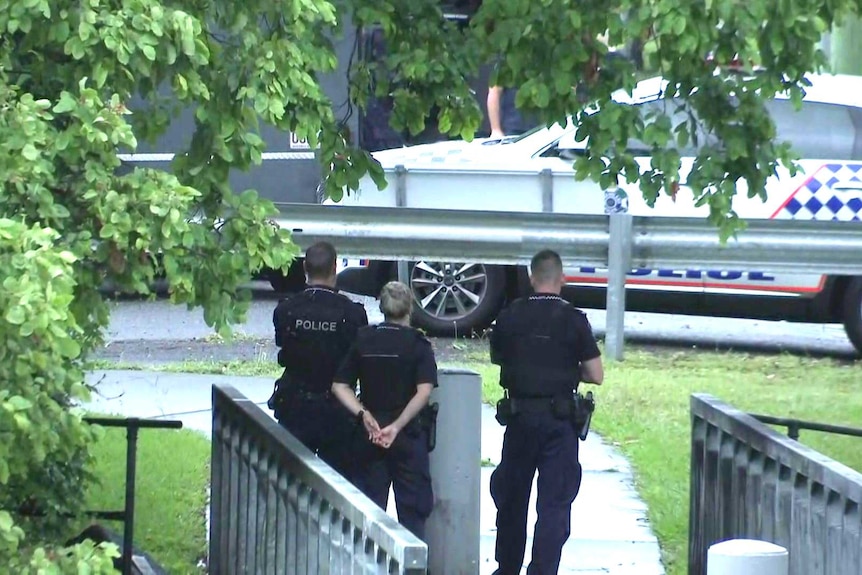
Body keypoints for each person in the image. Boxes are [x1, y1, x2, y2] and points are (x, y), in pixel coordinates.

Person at [489, 249, 604, 575]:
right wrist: (566, 369)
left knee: (512, 500)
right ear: (562, 279)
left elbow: (499, 358)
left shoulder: (511, 315)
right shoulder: (574, 319)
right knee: (554, 504)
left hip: (520, 418)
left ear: (531, 278)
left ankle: (506, 568)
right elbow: (596, 374)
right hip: (560, 422)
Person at [331, 281, 438, 541]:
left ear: (382, 308)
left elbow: (339, 385)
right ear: (409, 308)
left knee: (367, 516)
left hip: (370, 436)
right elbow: (423, 392)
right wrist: (398, 426)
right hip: (408, 438)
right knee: (413, 518)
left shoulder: (364, 339)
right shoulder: (418, 345)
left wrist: (363, 414)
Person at [269, 241, 369, 478]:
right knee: (336, 482)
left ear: (305, 267)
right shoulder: (353, 314)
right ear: (335, 268)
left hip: (295, 405)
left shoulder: (286, 310)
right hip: (336, 410)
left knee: (290, 478)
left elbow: (284, 349)